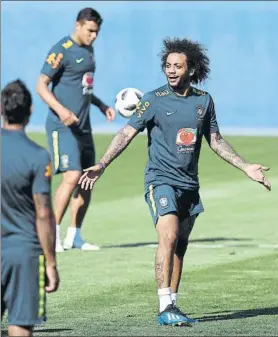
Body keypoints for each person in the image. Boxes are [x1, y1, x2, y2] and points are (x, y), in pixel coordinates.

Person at [78, 37, 271, 326]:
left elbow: (216, 141)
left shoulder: (203, 101)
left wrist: (246, 167)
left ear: (191, 69)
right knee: (167, 236)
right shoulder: (152, 100)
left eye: (177, 66)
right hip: (160, 180)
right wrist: (103, 164)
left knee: (179, 245)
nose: (170, 71)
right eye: (167, 66)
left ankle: (173, 304)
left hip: (189, 185)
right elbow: (126, 133)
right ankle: (163, 305)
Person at [37, 7, 115, 252]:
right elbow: (41, 85)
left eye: (97, 32)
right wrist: (61, 110)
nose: (94, 36)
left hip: (83, 125)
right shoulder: (61, 50)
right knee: (71, 176)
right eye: (90, 31)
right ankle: (54, 235)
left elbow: (83, 87)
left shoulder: (88, 50)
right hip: (62, 126)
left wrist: (101, 105)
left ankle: (75, 236)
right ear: (78, 25)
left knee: (87, 178)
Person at [1, 79, 59, 336]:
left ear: (2, 109)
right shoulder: (38, 156)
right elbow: (43, 213)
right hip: (25, 253)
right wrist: (51, 263)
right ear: (31, 110)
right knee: (20, 324)